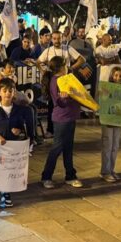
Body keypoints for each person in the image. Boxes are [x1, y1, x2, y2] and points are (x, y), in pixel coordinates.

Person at [0, 78, 34, 212]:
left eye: (10, 91)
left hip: (11, 146)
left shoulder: (19, 110)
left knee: (8, 170)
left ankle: (6, 193)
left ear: (14, 92)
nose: (8, 94)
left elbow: (22, 127)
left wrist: (19, 130)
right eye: (4, 91)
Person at [41, 56, 83, 189]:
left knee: (68, 148)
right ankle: (46, 176)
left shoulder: (65, 79)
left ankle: (70, 175)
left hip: (70, 117)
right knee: (57, 147)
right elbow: (59, 101)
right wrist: (65, 97)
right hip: (62, 119)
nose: (67, 67)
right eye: (66, 65)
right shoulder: (56, 81)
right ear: (61, 67)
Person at [100, 67, 121, 182]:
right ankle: (105, 172)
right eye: (116, 75)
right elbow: (102, 101)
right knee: (107, 146)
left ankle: (111, 169)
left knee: (115, 146)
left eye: (120, 76)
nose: (118, 78)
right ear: (111, 76)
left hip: (118, 120)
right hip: (108, 120)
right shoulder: (106, 88)